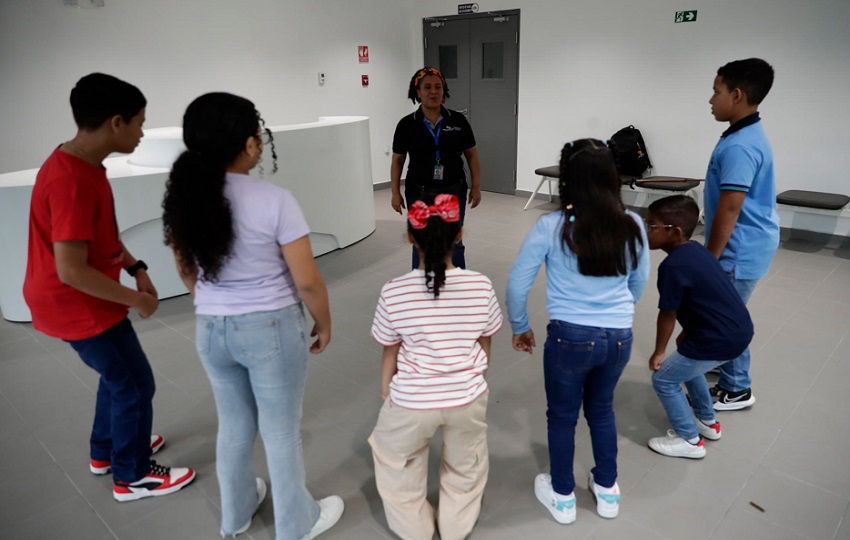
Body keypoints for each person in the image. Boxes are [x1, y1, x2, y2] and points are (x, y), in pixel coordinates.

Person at [161, 92, 343, 539]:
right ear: (246, 144)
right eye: (258, 133)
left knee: (235, 425)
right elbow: (306, 281)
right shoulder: (273, 199)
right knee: (280, 432)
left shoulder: (187, 196)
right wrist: (324, 321)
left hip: (211, 330)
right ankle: (296, 523)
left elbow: (186, 270)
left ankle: (236, 515)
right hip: (271, 329)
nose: (261, 141)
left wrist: (217, 304)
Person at [23, 73, 195, 501]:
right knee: (135, 384)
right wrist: (137, 300)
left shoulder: (79, 163)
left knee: (116, 376)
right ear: (116, 122)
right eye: (139, 122)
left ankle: (107, 452)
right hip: (76, 304)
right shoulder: (72, 180)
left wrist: (136, 266)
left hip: (78, 299)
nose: (142, 132)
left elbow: (92, 236)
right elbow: (72, 270)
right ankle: (132, 475)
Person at [506, 139, 649, 525]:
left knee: (562, 416)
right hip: (619, 337)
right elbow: (639, 282)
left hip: (569, 338)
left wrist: (520, 326)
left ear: (567, 179)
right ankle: (607, 490)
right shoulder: (633, 224)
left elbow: (518, 284)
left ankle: (563, 496)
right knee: (602, 410)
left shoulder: (551, 226)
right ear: (612, 178)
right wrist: (616, 314)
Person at [368, 193, 502, 540]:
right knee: (466, 466)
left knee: (397, 464)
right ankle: (455, 528)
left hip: (412, 400)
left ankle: (416, 530)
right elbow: (484, 343)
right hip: (467, 397)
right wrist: (473, 379)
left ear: (411, 237)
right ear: (459, 235)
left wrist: (387, 391)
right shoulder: (481, 285)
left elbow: (390, 350)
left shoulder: (393, 291)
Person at [645, 196, 754, 459]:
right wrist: (688, 333)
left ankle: (689, 440)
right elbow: (704, 300)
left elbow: (668, 314)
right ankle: (708, 422)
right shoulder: (697, 251)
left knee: (663, 379)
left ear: (674, 232)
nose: (646, 231)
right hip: (737, 331)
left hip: (716, 337)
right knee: (687, 359)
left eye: (652, 226)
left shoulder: (672, 266)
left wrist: (659, 351)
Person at [704, 58, 778, 411]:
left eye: (716, 92)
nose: (710, 99)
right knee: (727, 313)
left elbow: (729, 209)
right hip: (749, 242)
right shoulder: (745, 133)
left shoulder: (739, 146)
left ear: (736, 95)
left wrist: (710, 259)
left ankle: (737, 389)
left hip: (738, 248)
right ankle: (723, 363)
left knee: (726, 317)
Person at [390, 67, 482, 269]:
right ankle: (420, 285)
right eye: (427, 87)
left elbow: (472, 155)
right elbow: (398, 161)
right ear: (418, 92)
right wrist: (395, 192)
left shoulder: (458, 121)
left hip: (452, 191)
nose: (433, 92)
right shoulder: (406, 125)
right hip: (419, 193)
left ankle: (458, 285)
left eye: (438, 87)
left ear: (444, 91)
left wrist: (476, 187)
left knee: (454, 241)